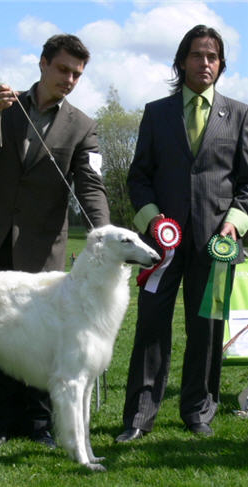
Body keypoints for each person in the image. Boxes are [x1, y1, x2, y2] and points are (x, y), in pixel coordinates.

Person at [0, 34, 110, 448]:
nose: (69, 79)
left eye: (77, 74)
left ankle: (40, 425)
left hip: (42, 250)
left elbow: (91, 185)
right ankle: (6, 422)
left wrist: (104, 232)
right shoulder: (4, 106)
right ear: (43, 63)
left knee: (43, 338)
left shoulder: (82, 126)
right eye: (63, 69)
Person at [116, 25, 248, 442]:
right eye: (197, 55)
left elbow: (246, 186)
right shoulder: (156, 113)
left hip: (217, 244)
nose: (205, 63)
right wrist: (154, 221)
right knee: (151, 327)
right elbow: (138, 179)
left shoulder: (240, 114)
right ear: (181, 61)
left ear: (221, 64)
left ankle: (197, 411)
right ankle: (139, 417)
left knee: (206, 330)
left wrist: (234, 223)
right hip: (162, 245)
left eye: (213, 56)